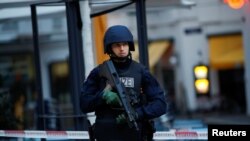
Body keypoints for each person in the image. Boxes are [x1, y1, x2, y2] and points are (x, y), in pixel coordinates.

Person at [80, 25, 167, 141]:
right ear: (110, 48)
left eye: (125, 44)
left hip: (134, 135)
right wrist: (102, 97)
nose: (122, 48)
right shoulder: (98, 72)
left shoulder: (141, 72)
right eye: (117, 45)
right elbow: (84, 104)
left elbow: (160, 104)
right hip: (107, 135)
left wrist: (137, 114)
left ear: (129, 46)